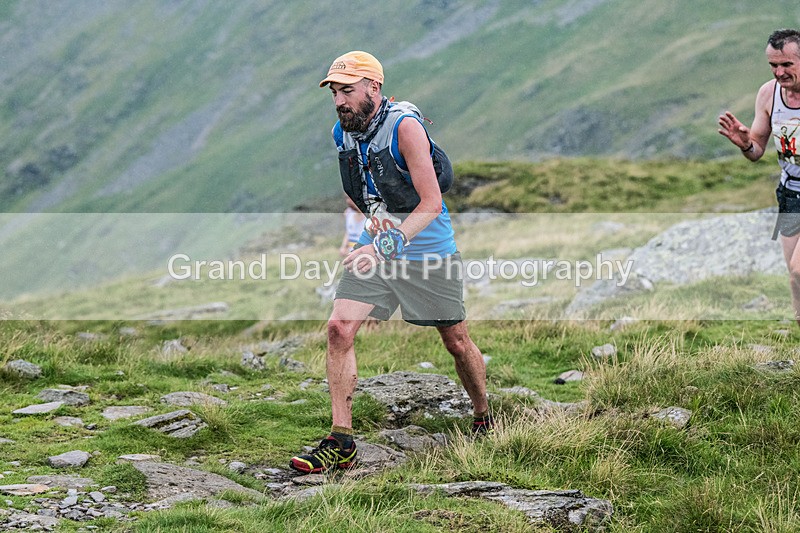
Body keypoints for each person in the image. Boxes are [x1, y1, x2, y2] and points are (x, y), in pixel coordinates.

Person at [289, 51, 491, 474]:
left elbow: (432, 203)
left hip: (427, 251)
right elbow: (363, 193)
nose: (340, 100)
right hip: (376, 247)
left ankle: (483, 414)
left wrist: (381, 246)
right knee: (338, 328)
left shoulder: (405, 128)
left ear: (373, 87)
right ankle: (341, 441)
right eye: (335, 93)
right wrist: (364, 240)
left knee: (455, 342)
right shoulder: (342, 133)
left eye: (348, 90)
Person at [718, 29, 800, 325]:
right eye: (773, 65)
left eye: (787, 65)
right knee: (795, 281)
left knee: (799, 269)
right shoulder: (769, 94)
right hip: (790, 195)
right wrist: (745, 144)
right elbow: (757, 151)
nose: (779, 72)